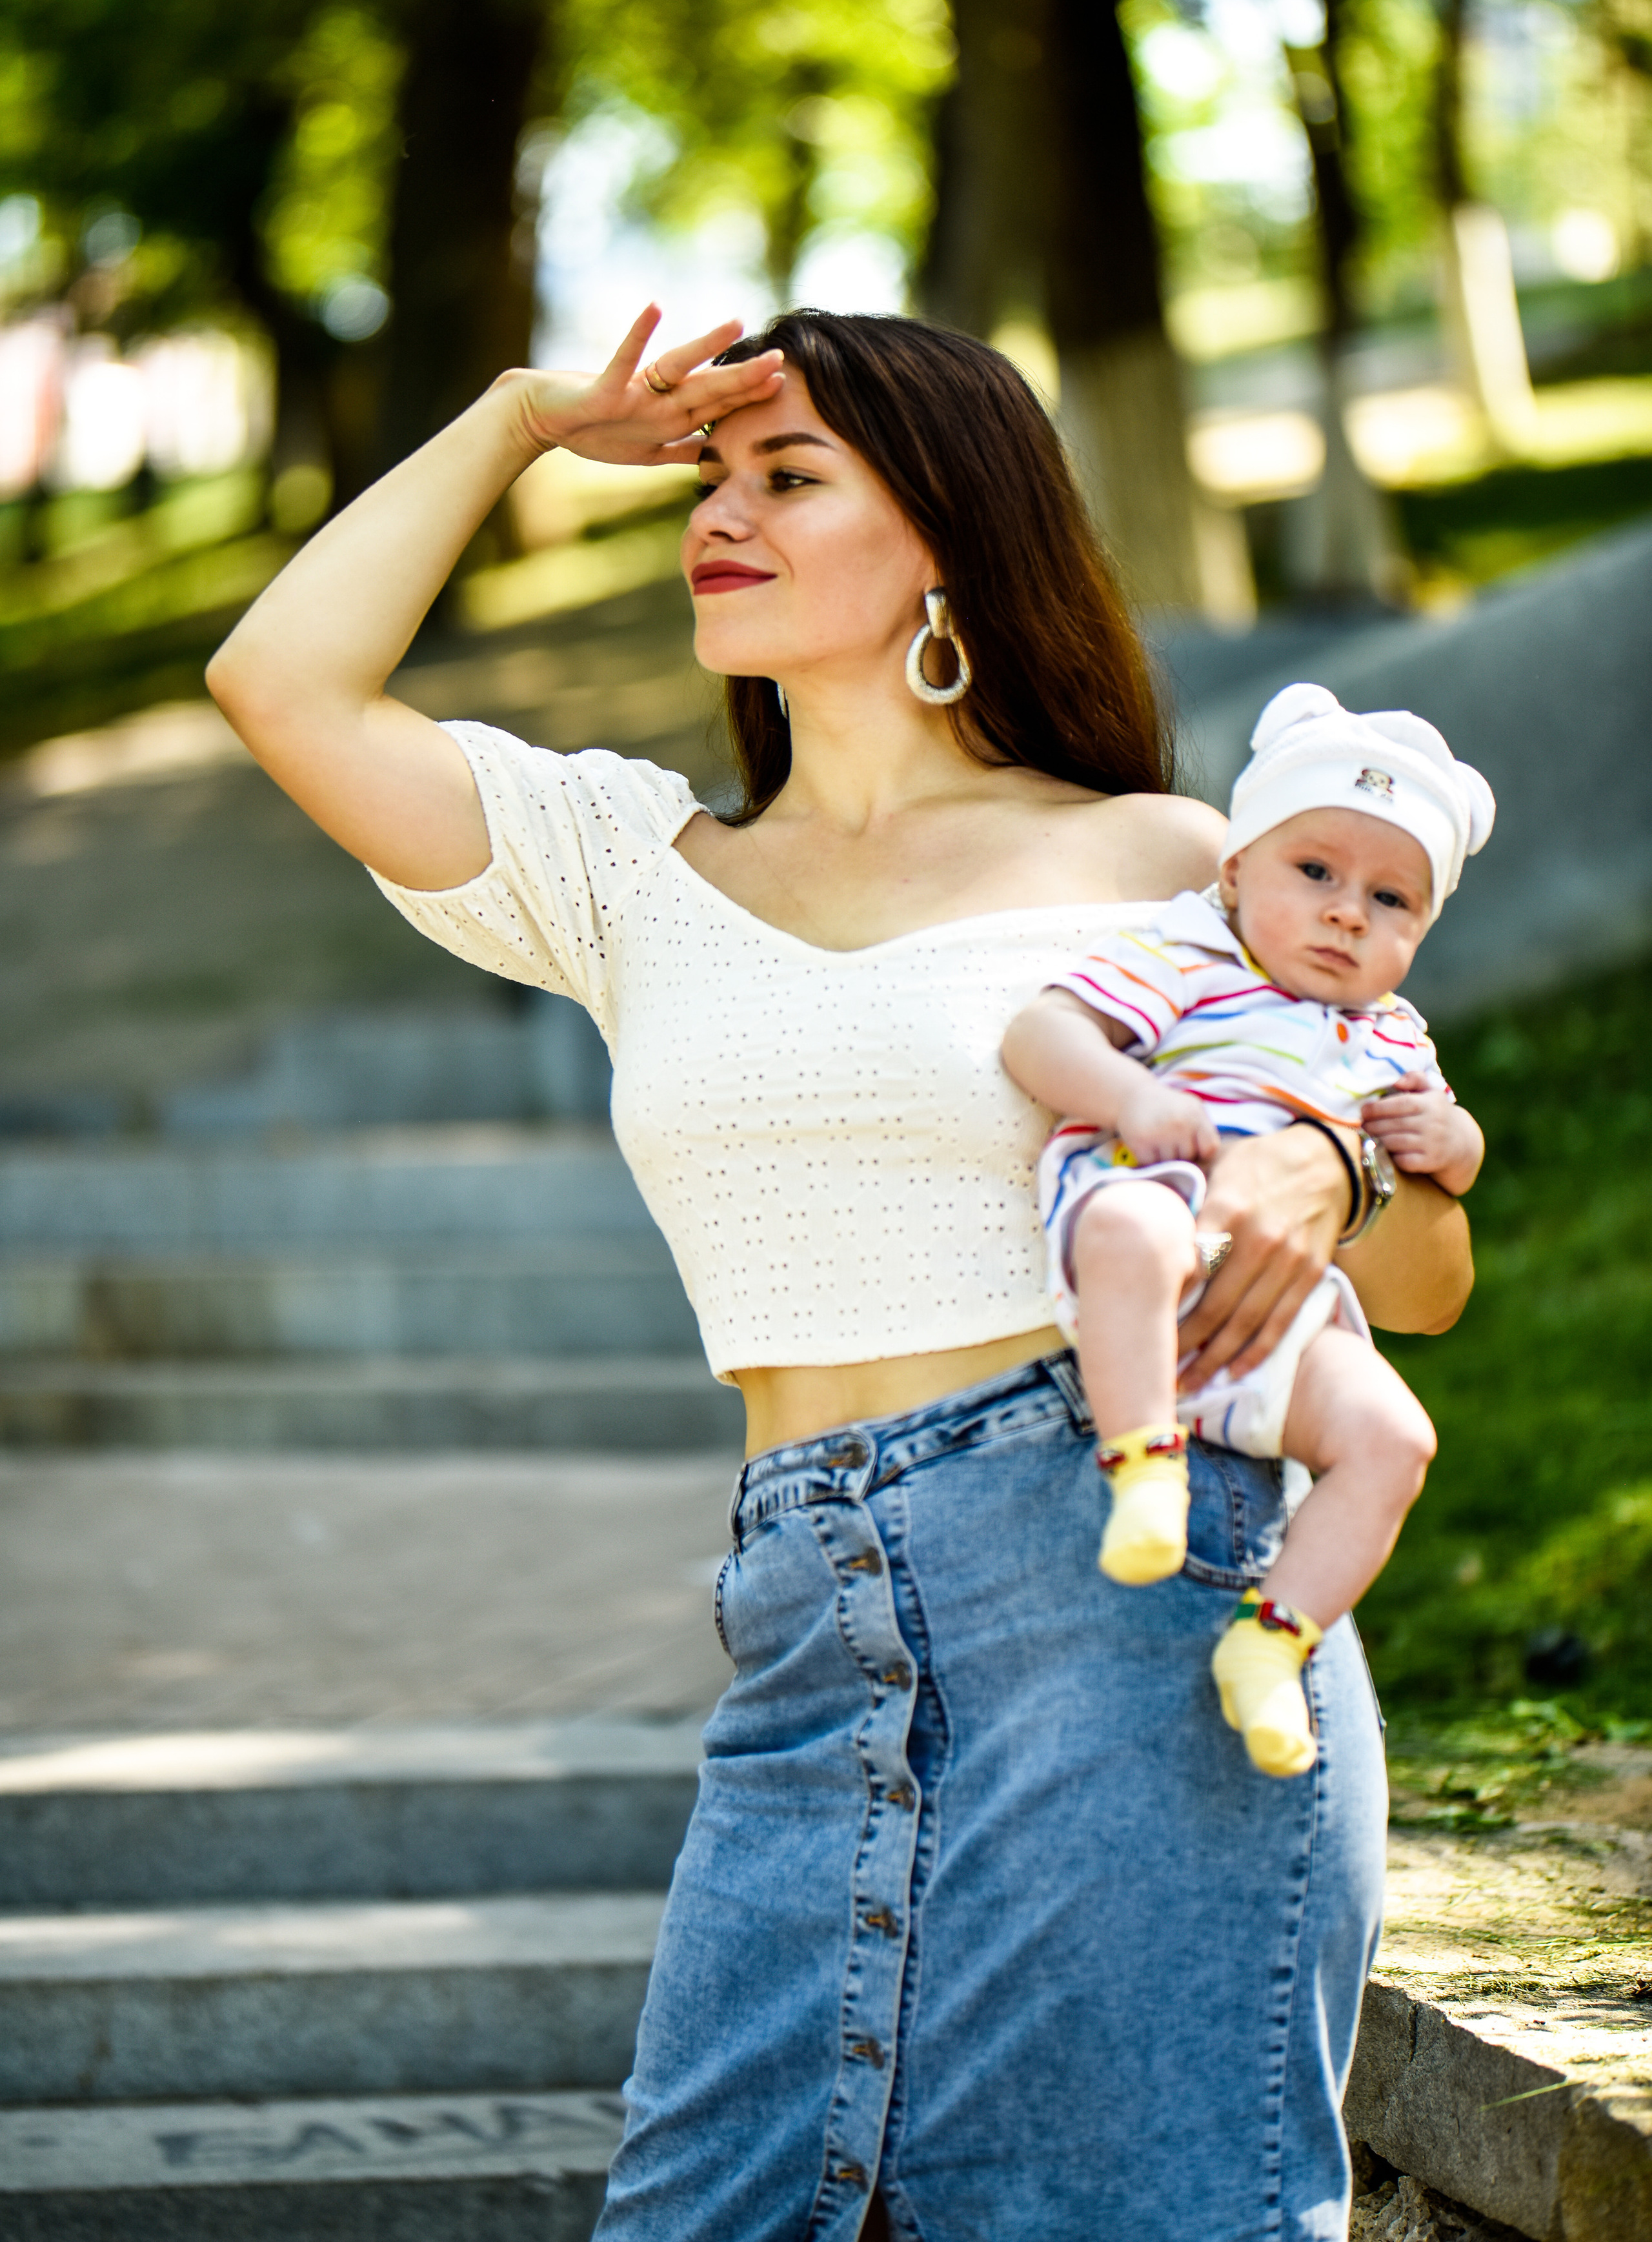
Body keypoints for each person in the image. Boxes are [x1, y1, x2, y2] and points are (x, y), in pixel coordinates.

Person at [206, 305, 1473, 2242]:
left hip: (1129, 1590)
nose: (719, 515)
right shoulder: (624, 867)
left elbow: (1429, 1277)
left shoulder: (1168, 857)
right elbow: (279, 680)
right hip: (809, 1623)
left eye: (789, 476)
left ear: (950, 536)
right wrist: (523, 419)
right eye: (712, 480)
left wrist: (1331, 1162)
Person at [1003, 682, 1492, 1779]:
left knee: (1395, 1439)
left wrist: (1453, 1138)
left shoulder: (1392, 1037)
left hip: (1277, 1310)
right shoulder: (1189, 954)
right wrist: (1131, 1099)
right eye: (1315, 872)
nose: (1348, 913)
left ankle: (1272, 1642)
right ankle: (1146, 1467)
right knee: (1137, 1227)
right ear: (1233, 874)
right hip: (1165, 1235)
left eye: (1391, 899)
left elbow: (1450, 1168)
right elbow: (1040, 1036)